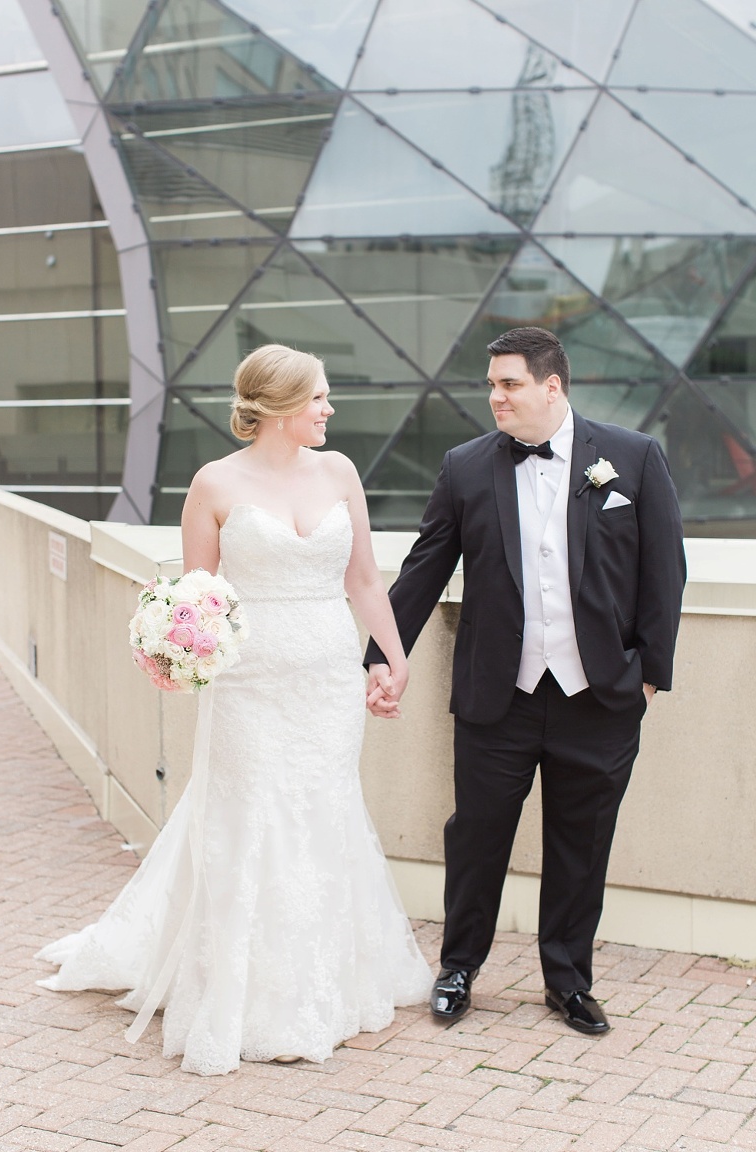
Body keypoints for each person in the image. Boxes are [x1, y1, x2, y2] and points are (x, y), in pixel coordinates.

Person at [36, 343, 432, 1075]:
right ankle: (242, 994)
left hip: (326, 678)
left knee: (322, 810)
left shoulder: (340, 472)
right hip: (249, 684)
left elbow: (366, 578)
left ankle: (323, 984)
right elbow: (197, 597)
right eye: (318, 397)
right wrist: (177, 648)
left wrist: (392, 654)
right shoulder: (214, 483)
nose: (328, 409)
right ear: (281, 407)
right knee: (250, 817)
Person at [366, 326, 686, 1035]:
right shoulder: (465, 466)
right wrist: (382, 654)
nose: (496, 398)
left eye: (509, 384)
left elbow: (664, 574)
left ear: (552, 386)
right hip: (497, 695)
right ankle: (458, 967)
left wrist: (648, 681)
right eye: (491, 385)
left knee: (583, 841)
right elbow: (425, 569)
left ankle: (568, 982)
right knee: (476, 835)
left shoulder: (633, 459)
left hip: (601, 697)